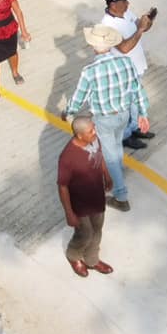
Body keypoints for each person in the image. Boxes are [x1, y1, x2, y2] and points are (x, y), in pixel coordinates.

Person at [66, 26, 150, 211]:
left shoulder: (90, 71)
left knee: (109, 155)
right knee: (117, 145)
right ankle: (118, 172)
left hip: (103, 118)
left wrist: (69, 111)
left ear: (93, 47)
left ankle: (121, 196)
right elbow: (138, 89)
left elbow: (79, 97)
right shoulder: (126, 62)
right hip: (123, 114)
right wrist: (143, 113)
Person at [99, 0, 156, 147]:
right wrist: (139, 30)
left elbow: (141, 26)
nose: (128, 4)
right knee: (124, 107)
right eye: (124, 1)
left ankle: (134, 128)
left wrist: (147, 21)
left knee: (135, 103)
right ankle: (124, 136)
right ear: (113, 5)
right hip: (122, 73)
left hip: (136, 68)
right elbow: (124, 47)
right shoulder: (107, 25)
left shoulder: (126, 13)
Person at [58, 117, 113, 277]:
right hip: (79, 204)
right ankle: (73, 256)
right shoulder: (67, 157)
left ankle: (92, 260)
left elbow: (99, 155)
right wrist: (69, 213)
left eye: (93, 128)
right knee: (85, 233)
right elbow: (62, 187)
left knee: (97, 229)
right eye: (90, 131)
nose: (94, 132)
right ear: (80, 135)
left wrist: (106, 175)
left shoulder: (94, 140)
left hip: (97, 196)